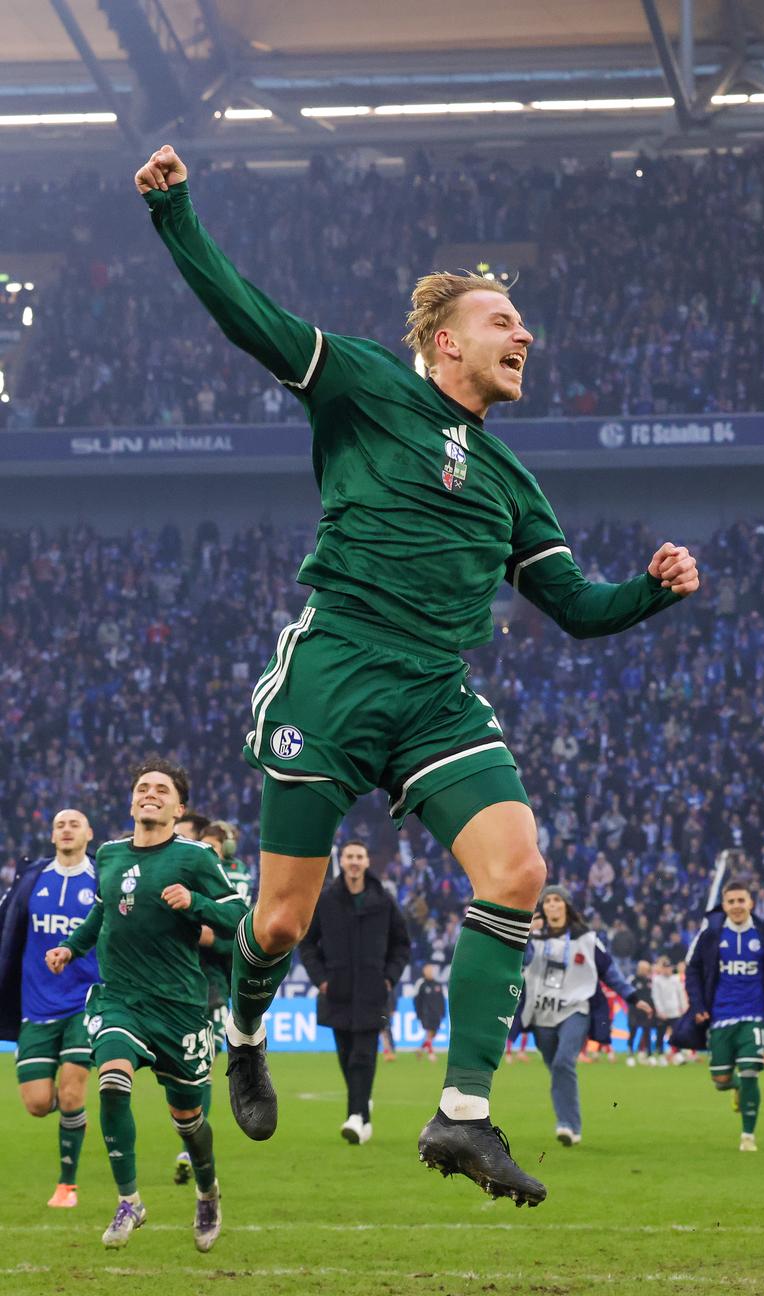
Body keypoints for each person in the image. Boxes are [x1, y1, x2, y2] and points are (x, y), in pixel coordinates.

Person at [135, 144, 699, 1208]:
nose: (524, 334)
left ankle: (464, 1117)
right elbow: (250, 317)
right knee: (282, 923)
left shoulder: (513, 480)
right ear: (446, 342)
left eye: (523, 327)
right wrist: (177, 215)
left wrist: (651, 591)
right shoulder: (363, 385)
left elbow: (574, 608)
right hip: (335, 673)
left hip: (438, 693)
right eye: (502, 323)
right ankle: (246, 1029)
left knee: (520, 875)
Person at [45, 758, 247, 1251]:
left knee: (190, 1121)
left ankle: (207, 1191)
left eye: (161, 788)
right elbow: (101, 910)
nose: (149, 793)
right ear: (133, 800)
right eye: (142, 787)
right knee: (112, 1078)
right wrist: (72, 946)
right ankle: (130, 1200)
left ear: (179, 808)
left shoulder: (197, 858)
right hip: (120, 998)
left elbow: (239, 913)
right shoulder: (111, 855)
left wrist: (194, 904)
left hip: (179, 1006)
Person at [0, 809, 99, 1208]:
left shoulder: (101, 880)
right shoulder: (33, 879)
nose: (67, 829)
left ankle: (67, 1185)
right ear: (52, 834)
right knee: (39, 1103)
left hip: (85, 1002)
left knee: (73, 1093)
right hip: (36, 1005)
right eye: (60, 824)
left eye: (75, 823)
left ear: (89, 834)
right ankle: (70, 1114)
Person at [672, 876, 764, 1153]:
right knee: (720, 1080)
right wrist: (698, 1006)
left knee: (750, 1071)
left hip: (754, 1015)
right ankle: (735, 1087)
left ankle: (748, 1136)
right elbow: (694, 971)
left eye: (741, 901)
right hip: (720, 1017)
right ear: (723, 905)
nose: (736, 906)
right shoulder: (710, 935)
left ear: (751, 903)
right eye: (731, 901)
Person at [299, 840, 412, 1144]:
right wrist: (321, 979)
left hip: (373, 993)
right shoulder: (326, 900)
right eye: (349, 856)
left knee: (363, 1056)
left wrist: (389, 977)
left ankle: (355, 1117)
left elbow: (402, 944)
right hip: (336, 992)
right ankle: (363, 1113)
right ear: (343, 861)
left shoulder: (384, 901)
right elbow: (307, 944)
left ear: (366, 862)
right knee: (347, 1057)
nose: (354, 861)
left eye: (359, 856)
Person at [519, 885, 650, 1146]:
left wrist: (633, 997)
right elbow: (520, 962)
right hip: (541, 1012)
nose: (552, 905)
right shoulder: (534, 938)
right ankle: (568, 1121)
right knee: (556, 1069)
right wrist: (525, 937)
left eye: (557, 900)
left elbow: (609, 971)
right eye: (548, 901)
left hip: (576, 1009)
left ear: (566, 905)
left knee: (562, 1063)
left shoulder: (586, 938)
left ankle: (569, 1126)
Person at [174, 817, 253, 1185]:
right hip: (171, 980)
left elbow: (242, 932)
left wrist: (212, 941)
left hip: (213, 984)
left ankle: (189, 1146)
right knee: (183, 1070)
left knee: (201, 1065)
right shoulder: (178, 867)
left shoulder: (235, 881)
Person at [650, 956, 688, 1064]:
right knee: (660, 1033)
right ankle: (661, 1054)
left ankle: (677, 1054)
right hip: (663, 1012)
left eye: (669, 967)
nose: (667, 970)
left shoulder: (676, 979)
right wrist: (660, 1010)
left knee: (677, 1033)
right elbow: (656, 996)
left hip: (675, 1011)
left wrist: (683, 1008)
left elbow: (680, 994)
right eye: (665, 968)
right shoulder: (657, 980)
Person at [414, 965, 447, 1061]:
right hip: (426, 1013)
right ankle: (431, 1054)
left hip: (436, 1013)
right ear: (424, 972)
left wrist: (443, 1012)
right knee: (429, 1032)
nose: (430, 973)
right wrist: (418, 1013)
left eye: (431, 971)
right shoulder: (422, 985)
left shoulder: (438, 985)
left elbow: (441, 1000)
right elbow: (417, 1000)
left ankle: (420, 1049)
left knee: (434, 1033)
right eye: (428, 971)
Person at [627, 959, 654, 1065]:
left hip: (646, 1011)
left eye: (646, 969)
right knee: (632, 1032)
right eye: (643, 969)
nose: (644, 971)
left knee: (647, 1032)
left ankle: (648, 1055)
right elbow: (627, 994)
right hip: (634, 1011)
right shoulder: (632, 980)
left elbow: (652, 996)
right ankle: (630, 1055)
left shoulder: (650, 981)